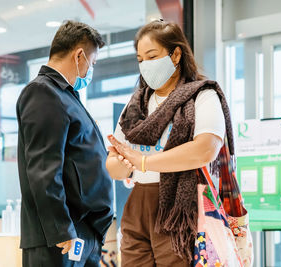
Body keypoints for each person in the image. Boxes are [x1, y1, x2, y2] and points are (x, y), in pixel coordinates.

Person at [106, 20, 235, 266]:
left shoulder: (203, 96)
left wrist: (144, 162)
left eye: (152, 56)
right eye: (140, 59)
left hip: (180, 205)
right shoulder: (135, 105)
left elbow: (205, 148)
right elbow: (113, 163)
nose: (145, 65)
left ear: (175, 54)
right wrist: (123, 163)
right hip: (137, 204)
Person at [16, 20, 114, 267]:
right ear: (79, 55)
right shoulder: (43, 93)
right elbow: (43, 169)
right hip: (61, 237)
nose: (90, 70)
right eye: (92, 63)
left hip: (80, 230)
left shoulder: (65, 95)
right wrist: (62, 228)